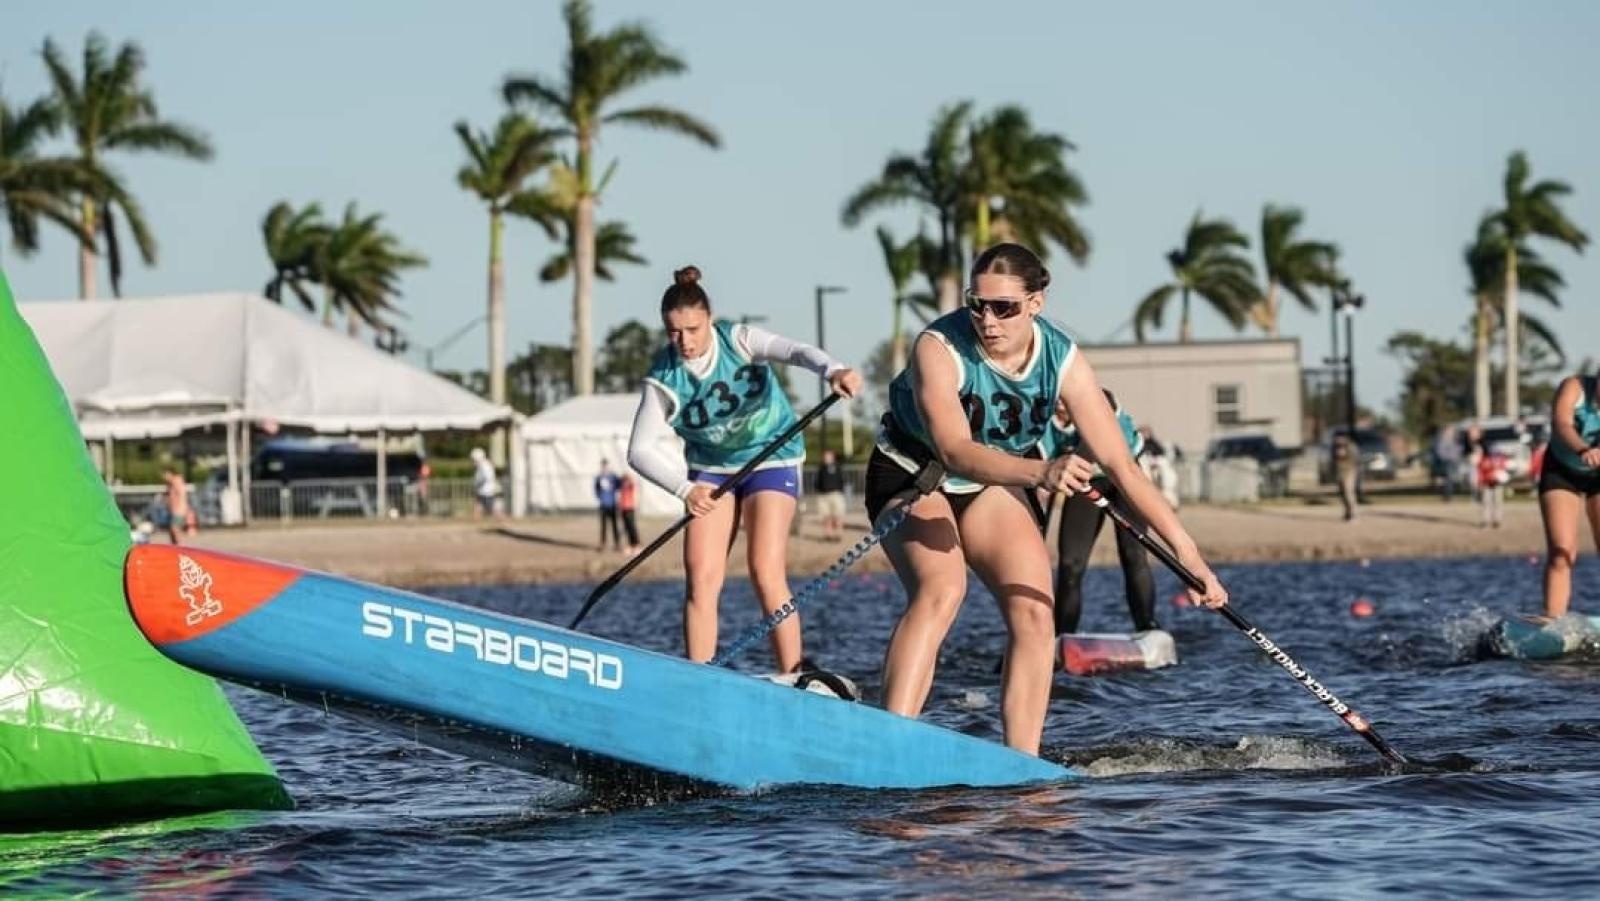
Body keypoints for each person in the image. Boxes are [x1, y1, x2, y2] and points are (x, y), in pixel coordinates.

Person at [866, 242, 1227, 756]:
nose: (988, 320)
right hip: (914, 473)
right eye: (978, 304)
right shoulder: (938, 346)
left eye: (1004, 307)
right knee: (942, 588)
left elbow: (1124, 466)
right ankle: (888, 746)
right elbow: (956, 451)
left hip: (994, 484)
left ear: (1036, 303)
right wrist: (1042, 470)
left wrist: (1191, 559)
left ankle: (1022, 764)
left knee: (1036, 613)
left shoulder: (1063, 359)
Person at [627, 265, 863, 674]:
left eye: (694, 329)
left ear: (710, 319)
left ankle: (794, 672)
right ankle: (699, 676)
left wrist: (833, 369)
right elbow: (639, 450)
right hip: (712, 471)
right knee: (701, 578)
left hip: (771, 457)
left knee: (764, 568)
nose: (685, 341)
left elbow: (796, 352)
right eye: (674, 332)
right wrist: (686, 491)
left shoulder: (737, 339)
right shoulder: (663, 377)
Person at [1042, 390, 1159, 636]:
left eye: (1065, 397)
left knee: (1133, 554)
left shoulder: (1099, 399)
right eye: (1057, 399)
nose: (1061, 405)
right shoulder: (1045, 420)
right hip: (1085, 483)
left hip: (1124, 478)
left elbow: (1098, 446)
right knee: (1070, 564)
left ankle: (1146, 625)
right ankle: (1062, 634)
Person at [1539, 374, 1600, 618]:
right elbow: (1561, 423)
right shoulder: (1574, 387)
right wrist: (1583, 449)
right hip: (1561, 472)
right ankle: (1552, 622)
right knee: (1561, 552)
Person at [813, 448, 847, 541]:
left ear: (832, 457)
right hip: (823, 495)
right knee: (826, 516)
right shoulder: (821, 468)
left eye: (828, 455)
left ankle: (838, 534)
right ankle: (828, 535)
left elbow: (842, 480)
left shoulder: (837, 467)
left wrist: (840, 490)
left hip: (836, 494)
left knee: (838, 515)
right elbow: (817, 481)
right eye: (825, 456)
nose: (826, 457)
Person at [161, 467, 198, 545]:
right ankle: (175, 546)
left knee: (175, 529)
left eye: (165, 475)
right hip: (173, 511)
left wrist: (183, 510)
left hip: (178, 510)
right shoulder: (170, 485)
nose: (164, 477)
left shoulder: (177, 481)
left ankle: (180, 545)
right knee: (172, 531)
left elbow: (182, 496)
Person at [1477, 442, 1509, 529]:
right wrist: (1480, 482)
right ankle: (1486, 520)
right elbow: (1481, 472)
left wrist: (1500, 476)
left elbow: (1503, 471)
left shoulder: (1502, 459)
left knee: (1498, 502)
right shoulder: (1485, 459)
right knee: (1486, 502)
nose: (1494, 453)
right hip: (1486, 483)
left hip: (1497, 484)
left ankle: (1497, 520)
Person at [594, 459, 623, 551]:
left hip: (613, 504)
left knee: (614, 525)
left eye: (605, 465)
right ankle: (603, 544)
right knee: (603, 526)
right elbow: (596, 489)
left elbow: (620, 485)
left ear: (608, 466)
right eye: (603, 465)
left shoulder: (613, 476)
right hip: (603, 505)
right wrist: (600, 497)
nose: (604, 467)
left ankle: (617, 544)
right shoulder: (599, 477)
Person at [1332, 433, 1358, 521]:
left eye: (1339, 438)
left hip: (1349, 471)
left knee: (1348, 491)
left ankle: (1353, 513)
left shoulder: (1351, 446)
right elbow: (1334, 460)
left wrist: (1345, 455)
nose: (1337, 440)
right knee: (1342, 492)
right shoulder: (1335, 447)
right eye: (1336, 438)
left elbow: (1355, 459)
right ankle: (1347, 512)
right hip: (1339, 472)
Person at [469, 447, 499, 519]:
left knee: (492, 508)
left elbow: (486, 477)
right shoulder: (482, 465)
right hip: (482, 490)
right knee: (477, 505)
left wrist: (478, 483)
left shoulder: (485, 465)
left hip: (486, 491)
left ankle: (501, 519)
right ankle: (475, 519)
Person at [618, 472, 641, 555]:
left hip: (630, 508)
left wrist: (629, 477)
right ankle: (630, 545)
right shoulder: (622, 486)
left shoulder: (631, 485)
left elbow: (635, 484)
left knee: (632, 527)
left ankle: (637, 545)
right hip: (623, 508)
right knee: (626, 528)